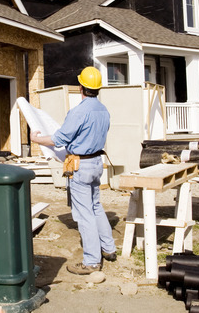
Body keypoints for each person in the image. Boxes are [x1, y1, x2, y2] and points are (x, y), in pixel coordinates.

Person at [30, 66, 117, 275]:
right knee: (96, 206)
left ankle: (92, 261)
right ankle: (109, 249)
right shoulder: (103, 110)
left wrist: (36, 138)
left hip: (81, 165)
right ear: (97, 88)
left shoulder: (79, 111)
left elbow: (58, 139)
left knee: (84, 213)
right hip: (96, 163)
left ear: (81, 87)